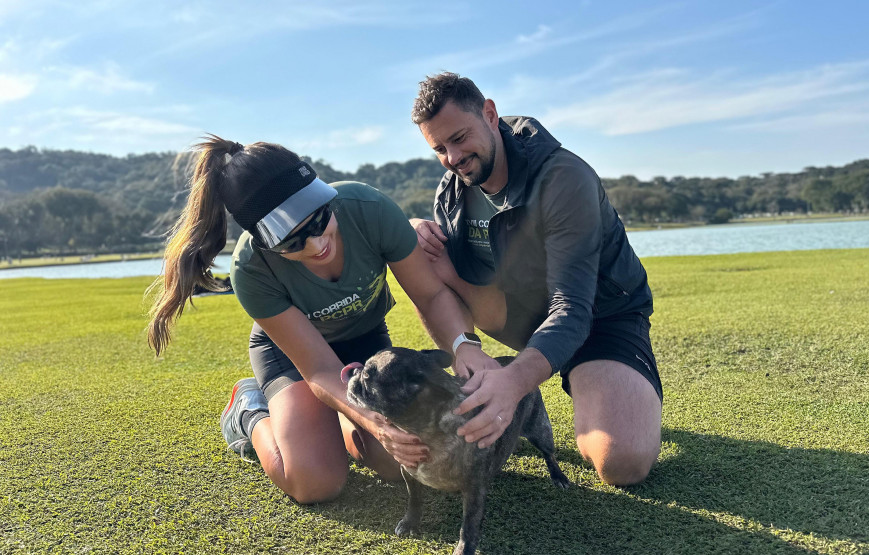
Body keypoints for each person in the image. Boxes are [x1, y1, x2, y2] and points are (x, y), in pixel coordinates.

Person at [147, 136, 498, 504]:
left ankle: (335, 419)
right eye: (291, 242)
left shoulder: (368, 208)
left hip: (363, 338)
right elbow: (317, 368)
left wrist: (464, 348)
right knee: (315, 482)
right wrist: (374, 422)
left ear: (323, 195)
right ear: (264, 241)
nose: (316, 246)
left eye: (319, 220)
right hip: (294, 357)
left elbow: (432, 295)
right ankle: (249, 412)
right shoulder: (251, 271)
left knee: (402, 462)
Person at [409, 72, 662, 485]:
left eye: (459, 138)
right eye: (439, 148)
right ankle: (489, 371)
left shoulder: (564, 178)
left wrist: (513, 382)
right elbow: (443, 281)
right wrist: (417, 229)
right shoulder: (452, 192)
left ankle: (576, 384)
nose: (453, 157)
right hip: (522, 315)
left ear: (490, 114)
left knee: (622, 463)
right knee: (418, 247)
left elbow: (573, 308)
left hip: (601, 318)